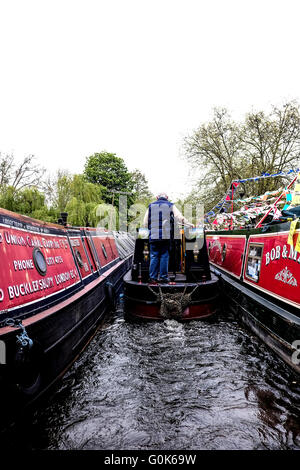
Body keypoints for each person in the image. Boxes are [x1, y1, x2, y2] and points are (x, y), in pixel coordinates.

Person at [143, 192, 193, 283]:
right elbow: (179, 217)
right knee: (164, 255)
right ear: (167, 197)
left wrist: (149, 230)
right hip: (166, 236)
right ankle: (163, 277)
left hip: (154, 236)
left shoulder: (150, 206)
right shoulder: (171, 205)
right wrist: (189, 224)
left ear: (157, 197)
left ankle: (152, 278)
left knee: (154, 256)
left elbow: (145, 222)